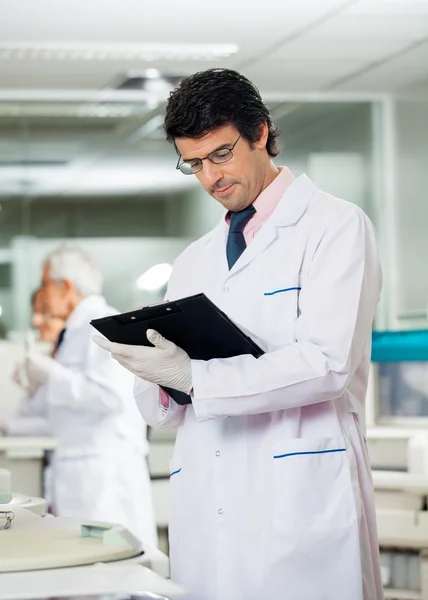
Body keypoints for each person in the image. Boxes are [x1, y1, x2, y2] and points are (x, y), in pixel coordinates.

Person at [94, 68, 383, 600]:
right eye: (194, 163)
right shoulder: (193, 260)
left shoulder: (334, 227)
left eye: (222, 154)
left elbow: (327, 364)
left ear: (262, 133)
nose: (210, 178)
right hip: (209, 493)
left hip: (298, 492)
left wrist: (196, 377)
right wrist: (159, 377)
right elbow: (164, 408)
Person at [19, 247, 158, 547]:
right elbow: (65, 408)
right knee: (89, 572)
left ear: (66, 286)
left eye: (45, 285)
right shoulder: (75, 332)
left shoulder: (102, 324)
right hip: (80, 471)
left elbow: (110, 397)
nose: (42, 294)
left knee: (114, 573)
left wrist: (52, 374)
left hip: (104, 474)